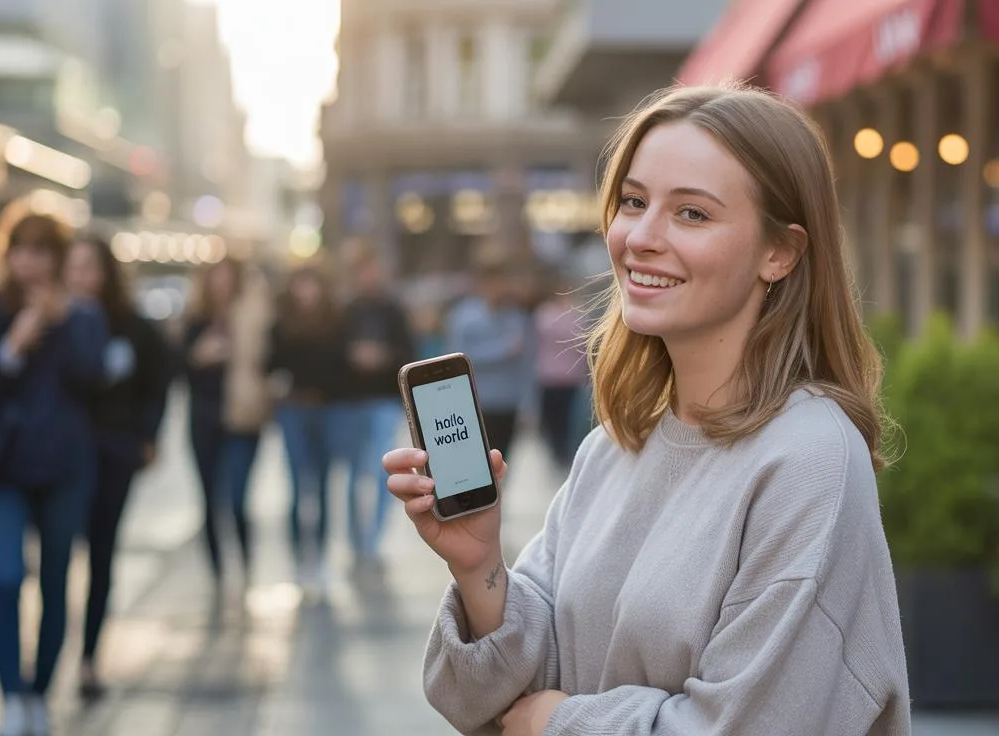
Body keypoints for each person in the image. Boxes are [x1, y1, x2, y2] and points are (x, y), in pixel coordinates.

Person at [383, 84, 910, 735]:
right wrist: (479, 565)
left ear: (781, 253)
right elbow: (497, 691)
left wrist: (558, 723)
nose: (640, 237)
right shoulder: (614, 446)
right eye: (633, 202)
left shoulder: (809, 458)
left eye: (692, 214)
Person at [0, 214, 108, 735]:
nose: (31, 261)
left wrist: (60, 324)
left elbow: (94, 380)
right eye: (22, 249)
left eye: (42, 251)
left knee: (58, 582)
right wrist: (12, 349)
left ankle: (39, 692)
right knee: (5, 577)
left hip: (66, 465)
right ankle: (12, 693)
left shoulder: (84, 315)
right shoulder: (1, 310)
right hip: (6, 468)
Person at [63, 235, 171, 699]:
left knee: (101, 556)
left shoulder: (132, 327)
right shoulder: (53, 321)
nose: (80, 276)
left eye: (89, 266)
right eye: (73, 266)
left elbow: (156, 382)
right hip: (61, 456)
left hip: (113, 453)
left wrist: (147, 435)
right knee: (54, 559)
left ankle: (88, 659)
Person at [182, 260, 272, 585]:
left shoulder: (252, 317)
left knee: (236, 499)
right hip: (205, 420)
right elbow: (177, 368)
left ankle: (246, 565)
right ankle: (218, 574)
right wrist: (198, 356)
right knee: (208, 500)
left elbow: (270, 356)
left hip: (243, 420)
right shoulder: (196, 320)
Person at [266, 265, 350, 585]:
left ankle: (322, 556)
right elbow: (272, 365)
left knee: (325, 484)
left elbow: (343, 368)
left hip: (327, 409)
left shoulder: (335, 322)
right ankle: (299, 556)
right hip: (294, 410)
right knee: (298, 484)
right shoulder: (282, 324)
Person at [339, 242, 414, 562]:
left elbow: (408, 353)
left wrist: (381, 357)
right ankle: (356, 537)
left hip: (384, 398)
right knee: (356, 472)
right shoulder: (348, 310)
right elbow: (333, 354)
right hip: (354, 399)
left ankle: (374, 537)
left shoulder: (393, 310)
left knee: (384, 470)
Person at [442, 250, 532, 455]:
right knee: (478, 460)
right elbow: (456, 359)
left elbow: (527, 363)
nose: (496, 287)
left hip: (509, 402)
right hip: (476, 402)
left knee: (503, 461)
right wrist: (503, 349)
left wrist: (528, 404)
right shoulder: (464, 317)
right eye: (491, 281)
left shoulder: (515, 316)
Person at [532, 282, 587, 469]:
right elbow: (549, 330)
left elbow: (580, 335)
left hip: (570, 377)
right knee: (551, 417)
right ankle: (555, 451)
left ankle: (563, 452)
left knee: (566, 418)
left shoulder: (576, 313)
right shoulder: (545, 313)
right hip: (548, 376)